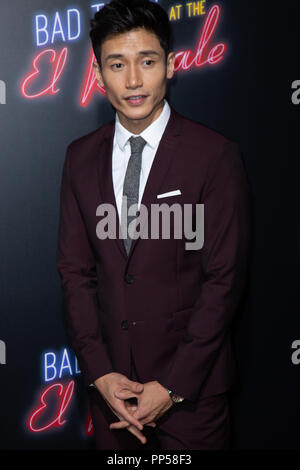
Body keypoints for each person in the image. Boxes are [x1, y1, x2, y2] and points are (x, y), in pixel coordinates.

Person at [56, 0, 251, 450]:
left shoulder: (213, 155)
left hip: (192, 400)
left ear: (170, 65)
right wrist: (102, 374)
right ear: (98, 73)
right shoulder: (79, 157)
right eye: (117, 64)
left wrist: (172, 386)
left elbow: (225, 280)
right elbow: (75, 273)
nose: (133, 80)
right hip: (112, 400)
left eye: (147, 61)